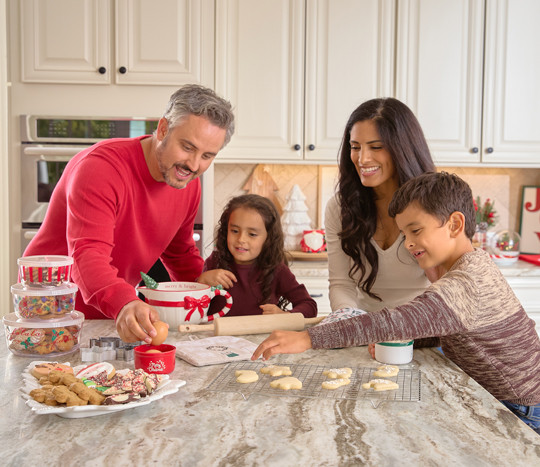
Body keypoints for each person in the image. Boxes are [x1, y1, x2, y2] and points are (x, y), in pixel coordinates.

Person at [252, 172, 540, 434]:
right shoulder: (470, 267)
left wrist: (308, 338)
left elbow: (395, 320)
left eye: (416, 231)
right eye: (404, 234)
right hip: (511, 399)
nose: (409, 243)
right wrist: (407, 341)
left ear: (454, 224)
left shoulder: (466, 282)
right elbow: (453, 330)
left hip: (519, 409)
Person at [24, 84, 235, 344]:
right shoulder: (100, 168)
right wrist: (125, 302)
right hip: (51, 310)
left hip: (112, 314)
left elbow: (180, 254)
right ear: (163, 129)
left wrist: (204, 294)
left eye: (207, 156)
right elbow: (87, 254)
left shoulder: (186, 184)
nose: (193, 165)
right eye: (188, 147)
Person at [325, 97, 437, 321]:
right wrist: (351, 321)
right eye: (355, 147)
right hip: (366, 327)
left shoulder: (434, 205)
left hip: (424, 327)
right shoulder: (339, 207)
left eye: (376, 147)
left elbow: (448, 285)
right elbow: (341, 284)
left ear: (403, 149)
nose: (362, 158)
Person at [197, 194, 317, 318]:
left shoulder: (277, 270)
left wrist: (286, 316)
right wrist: (202, 281)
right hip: (216, 337)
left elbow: (309, 306)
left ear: (268, 238)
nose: (241, 239)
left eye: (252, 234)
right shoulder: (215, 262)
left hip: (262, 338)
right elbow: (191, 307)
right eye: (234, 231)